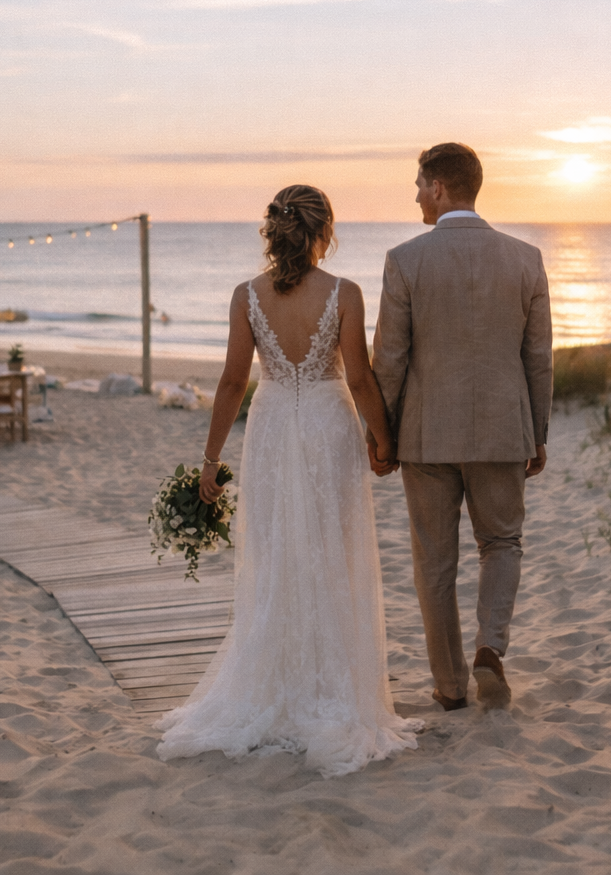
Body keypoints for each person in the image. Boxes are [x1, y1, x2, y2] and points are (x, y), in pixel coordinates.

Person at [155, 184, 422, 777]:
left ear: (274, 231)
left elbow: (231, 382)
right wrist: (384, 440)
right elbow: (359, 378)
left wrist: (209, 460)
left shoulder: (245, 296)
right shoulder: (345, 293)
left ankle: (280, 681)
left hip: (273, 424)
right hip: (328, 423)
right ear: (324, 230)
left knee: (276, 553)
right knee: (334, 552)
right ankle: (332, 686)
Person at [371, 143, 553, 712]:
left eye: (419, 184)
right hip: (503, 430)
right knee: (501, 543)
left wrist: (383, 435)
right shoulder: (526, 258)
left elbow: (390, 360)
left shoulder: (405, 260)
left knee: (434, 559)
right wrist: (537, 431)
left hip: (426, 435)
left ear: (441, 188)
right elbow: (540, 357)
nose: (415, 194)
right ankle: (490, 649)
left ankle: (449, 687)